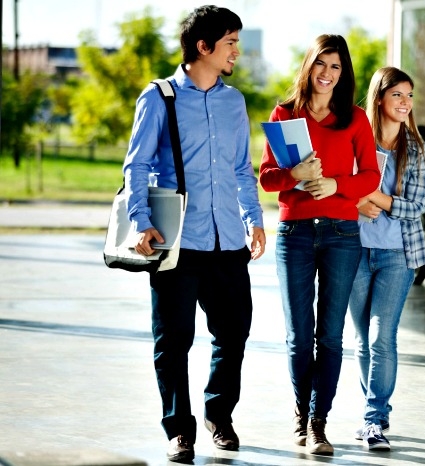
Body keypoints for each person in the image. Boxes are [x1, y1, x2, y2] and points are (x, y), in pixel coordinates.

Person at [124, 5, 266, 462]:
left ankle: (218, 415)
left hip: (228, 241)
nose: (236, 52)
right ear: (202, 47)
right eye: (230, 43)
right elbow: (137, 165)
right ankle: (179, 429)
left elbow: (242, 167)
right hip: (178, 243)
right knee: (174, 339)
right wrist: (141, 220)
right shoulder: (159, 98)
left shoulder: (234, 101)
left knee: (234, 333)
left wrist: (254, 219)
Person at [258, 34, 380, 456]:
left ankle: (318, 423)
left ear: (343, 74)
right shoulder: (284, 114)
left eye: (336, 67)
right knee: (299, 335)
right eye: (321, 64)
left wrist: (334, 184)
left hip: (342, 235)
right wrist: (295, 174)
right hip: (295, 235)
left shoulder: (356, 118)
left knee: (329, 336)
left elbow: (371, 177)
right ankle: (299, 416)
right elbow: (267, 178)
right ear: (308, 66)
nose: (327, 74)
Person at [349, 66, 425, 451]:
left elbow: (416, 207)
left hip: (397, 254)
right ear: (379, 98)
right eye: (397, 94)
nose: (405, 103)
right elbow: (337, 189)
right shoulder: (355, 140)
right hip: (351, 250)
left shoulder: (414, 149)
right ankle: (372, 411)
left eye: (410, 95)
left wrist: (373, 198)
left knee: (383, 337)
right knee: (363, 339)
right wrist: (356, 200)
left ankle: (374, 418)